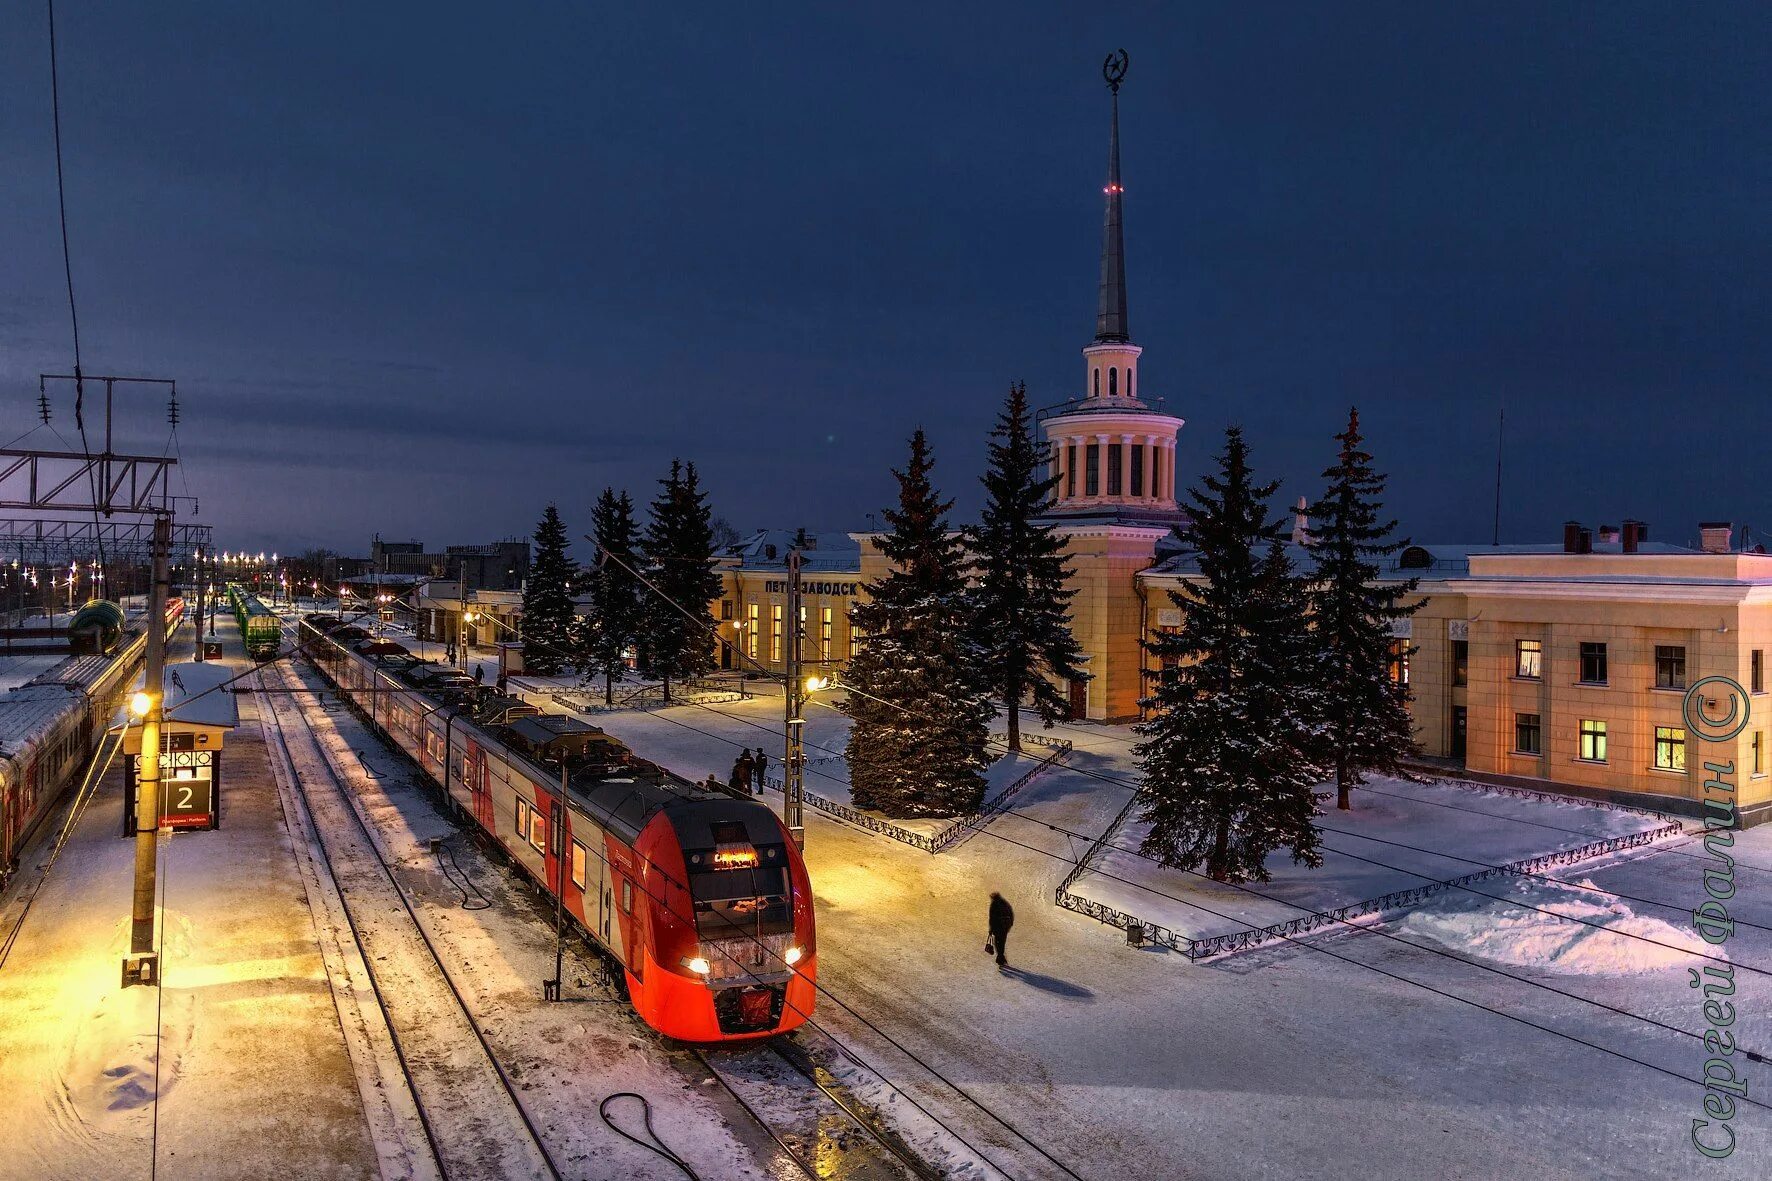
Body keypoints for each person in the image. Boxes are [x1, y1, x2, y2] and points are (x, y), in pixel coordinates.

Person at [988, 891, 1014, 968]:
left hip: (997, 927)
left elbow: (992, 918)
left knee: (997, 943)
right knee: (1002, 942)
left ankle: (1000, 958)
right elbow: (1011, 913)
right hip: (1005, 927)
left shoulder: (994, 905)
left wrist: (991, 929)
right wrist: (1010, 924)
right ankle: (1001, 958)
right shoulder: (1005, 903)